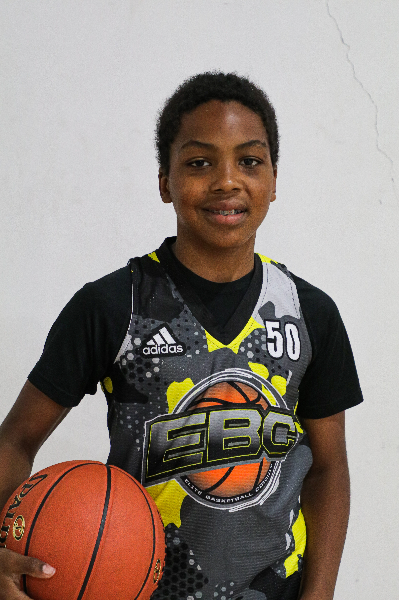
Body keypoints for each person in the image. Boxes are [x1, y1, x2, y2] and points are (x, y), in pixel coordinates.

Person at [0, 72, 363, 600]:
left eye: (249, 161)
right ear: (165, 182)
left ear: (274, 180)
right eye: (199, 163)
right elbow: (15, 439)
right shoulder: (114, 306)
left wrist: (320, 593)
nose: (227, 181)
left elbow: (329, 468)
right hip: (139, 588)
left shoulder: (309, 313)